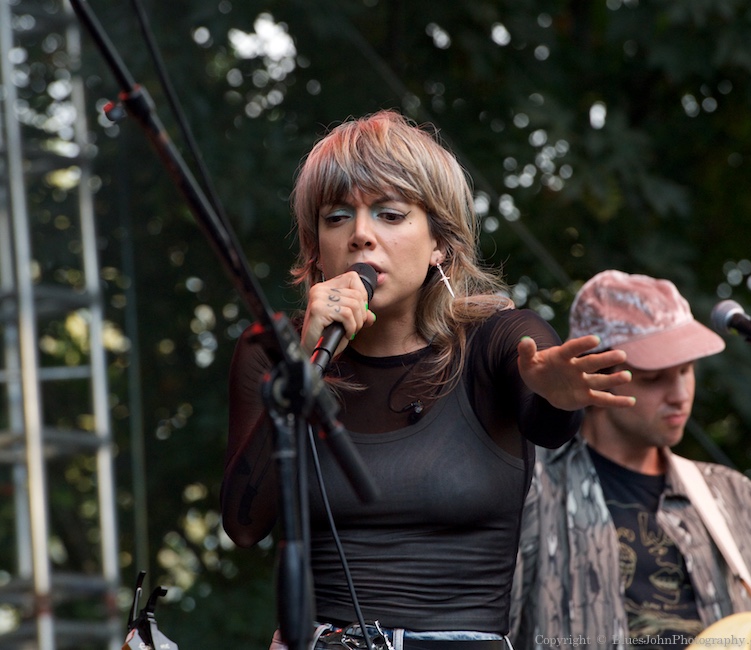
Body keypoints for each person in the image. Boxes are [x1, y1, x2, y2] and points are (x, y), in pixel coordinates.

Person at [219, 110, 635, 650]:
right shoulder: (270, 354)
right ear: (314, 245)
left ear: (440, 242)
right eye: (338, 216)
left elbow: (547, 424)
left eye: (390, 215)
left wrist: (557, 398)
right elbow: (244, 525)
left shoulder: (497, 339)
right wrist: (302, 368)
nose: (362, 235)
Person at [509, 270, 751, 650]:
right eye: (654, 379)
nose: (680, 394)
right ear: (593, 377)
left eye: (687, 371)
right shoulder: (529, 488)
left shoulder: (734, 496)